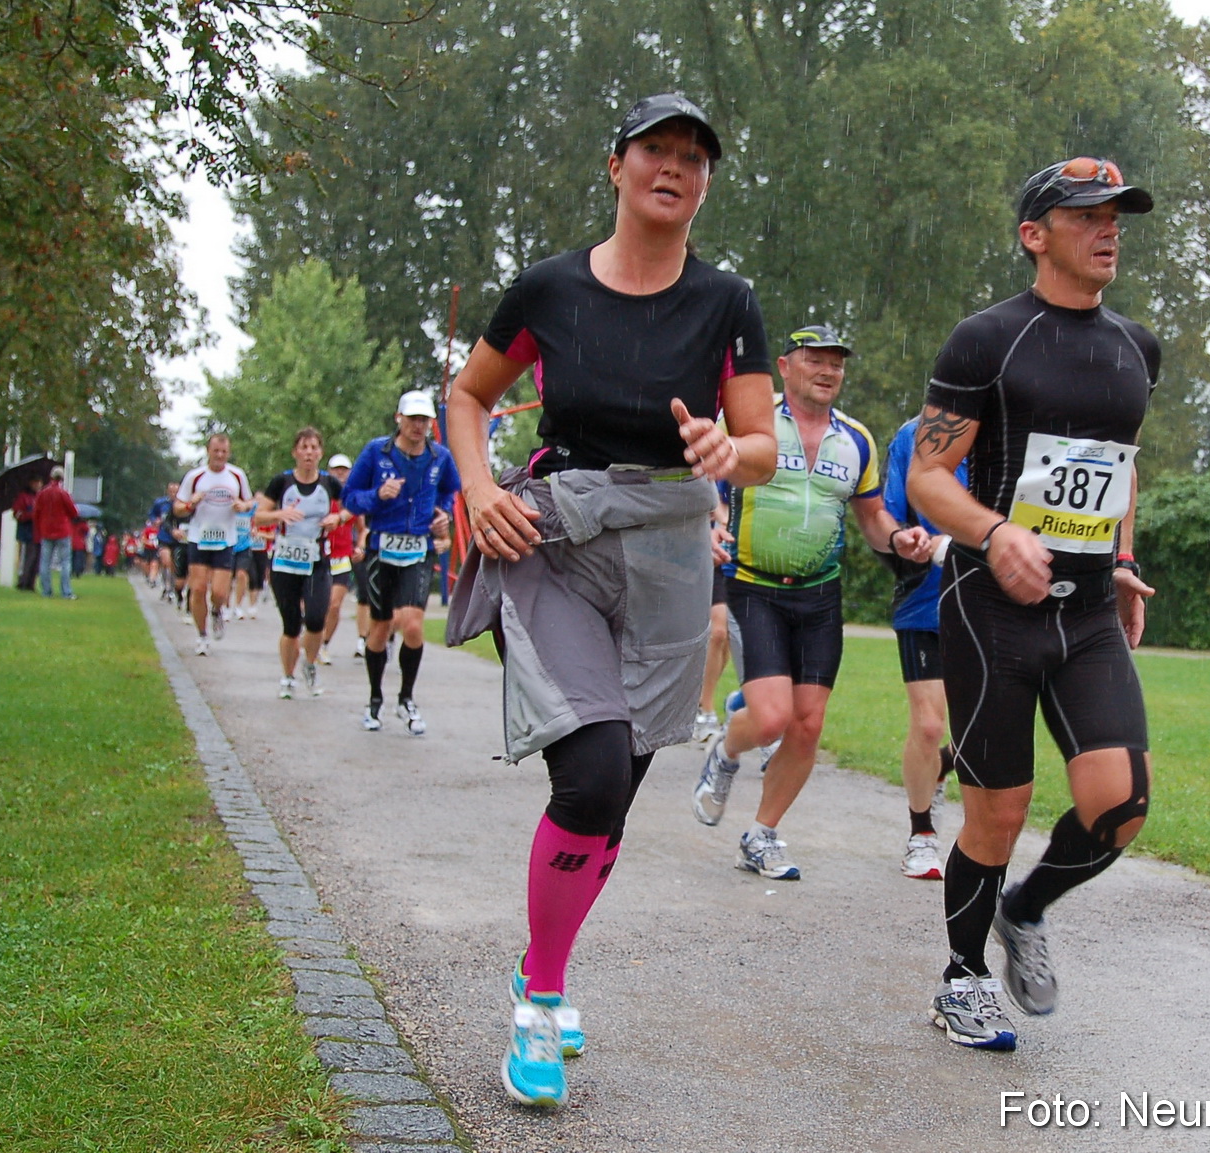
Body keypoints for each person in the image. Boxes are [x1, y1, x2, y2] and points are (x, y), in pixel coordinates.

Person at [443, 93, 776, 1110]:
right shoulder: (548, 288)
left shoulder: (728, 303)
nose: (674, 167)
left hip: (672, 548)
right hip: (557, 536)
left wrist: (731, 450)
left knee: (619, 791)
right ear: (617, 164)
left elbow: (762, 446)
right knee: (587, 774)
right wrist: (482, 488)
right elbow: (469, 395)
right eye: (655, 150)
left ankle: (545, 954)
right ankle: (541, 998)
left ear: (706, 181)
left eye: (694, 157)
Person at [906, 157, 1160, 1052]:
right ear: (1034, 233)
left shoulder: (1138, 348)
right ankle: (963, 979)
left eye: (1118, 213)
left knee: (1120, 804)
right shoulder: (987, 339)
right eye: (1088, 212)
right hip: (993, 607)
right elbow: (927, 476)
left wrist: (1121, 558)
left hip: (1088, 611)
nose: (1109, 226)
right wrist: (994, 532)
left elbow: (1118, 468)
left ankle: (1028, 906)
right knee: (997, 813)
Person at [691, 325, 931, 881]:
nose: (828, 371)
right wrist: (705, 523)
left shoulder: (858, 441)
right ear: (785, 365)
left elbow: (872, 517)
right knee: (773, 718)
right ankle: (726, 752)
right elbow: (696, 477)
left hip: (821, 594)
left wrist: (898, 540)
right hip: (754, 585)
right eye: (815, 360)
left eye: (837, 364)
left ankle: (762, 835)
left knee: (808, 725)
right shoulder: (751, 423)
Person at [342, 391, 462, 735]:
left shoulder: (440, 457)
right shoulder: (376, 452)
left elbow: (450, 493)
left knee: (412, 624)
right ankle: (375, 699)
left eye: (424, 421)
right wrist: (377, 496)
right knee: (379, 629)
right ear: (399, 419)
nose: (418, 426)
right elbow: (350, 498)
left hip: (419, 550)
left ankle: (407, 698)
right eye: (412, 419)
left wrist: (442, 516)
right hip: (382, 548)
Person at [880, 418, 964, 879]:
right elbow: (890, 514)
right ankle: (922, 833)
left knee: (984, 738)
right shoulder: (913, 435)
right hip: (924, 600)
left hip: (989, 604)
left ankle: (940, 769)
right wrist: (908, 539)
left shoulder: (1012, 433)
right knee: (930, 726)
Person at [254, 428, 350, 699]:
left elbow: (351, 505)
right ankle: (287, 677)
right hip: (285, 561)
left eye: (314, 448)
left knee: (317, 618)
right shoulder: (281, 483)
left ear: (320, 452)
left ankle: (309, 665)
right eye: (304, 447)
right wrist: (279, 514)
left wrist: (338, 518)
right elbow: (259, 517)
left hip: (317, 560)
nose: (309, 453)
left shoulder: (330, 484)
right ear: (295, 452)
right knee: (291, 624)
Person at [174, 433, 254, 657]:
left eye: (224, 452)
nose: (219, 455)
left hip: (225, 540)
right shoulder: (195, 476)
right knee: (198, 588)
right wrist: (191, 504)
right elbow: (178, 508)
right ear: (208, 451)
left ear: (228, 453)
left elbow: (250, 502)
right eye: (216, 451)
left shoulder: (236, 476)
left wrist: (242, 505)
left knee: (219, 592)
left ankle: (218, 611)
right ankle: (202, 635)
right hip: (199, 538)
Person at [693, 493, 731, 736]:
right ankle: (704, 711)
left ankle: (704, 699)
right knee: (717, 631)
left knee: (725, 636)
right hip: (705, 548)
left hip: (736, 553)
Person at [319, 453, 363, 663]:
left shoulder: (353, 498)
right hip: (318, 555)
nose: (340, 473)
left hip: (342, 556)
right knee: (316, 604)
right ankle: (311, 638)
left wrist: (360, 546)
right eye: (336, 469)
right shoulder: (321, 494)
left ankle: (324, 644)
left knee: (335, 604)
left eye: (344, 470)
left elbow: (363, 529)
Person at [33, 467, 79, 599]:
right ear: (62, 478)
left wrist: (39, 528)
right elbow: (73, 512)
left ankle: (46, 591)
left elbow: (36, 513)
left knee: (45, 562)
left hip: (46, 531)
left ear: (51, 477)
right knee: (65, 562)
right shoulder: (63, 493)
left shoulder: (42, 493)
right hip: (62, 531)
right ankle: (66, 591)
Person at [13, 475, 42, 591]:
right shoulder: (23, 497)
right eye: (35, 482)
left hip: (37, 534)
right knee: (27, 558)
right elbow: (17, 514)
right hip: (26, 533)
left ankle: (31, 583)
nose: (38, 485)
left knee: (36, 559)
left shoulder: (39, 497)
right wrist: (31, 515)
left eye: (39, 482)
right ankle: (22, 581)